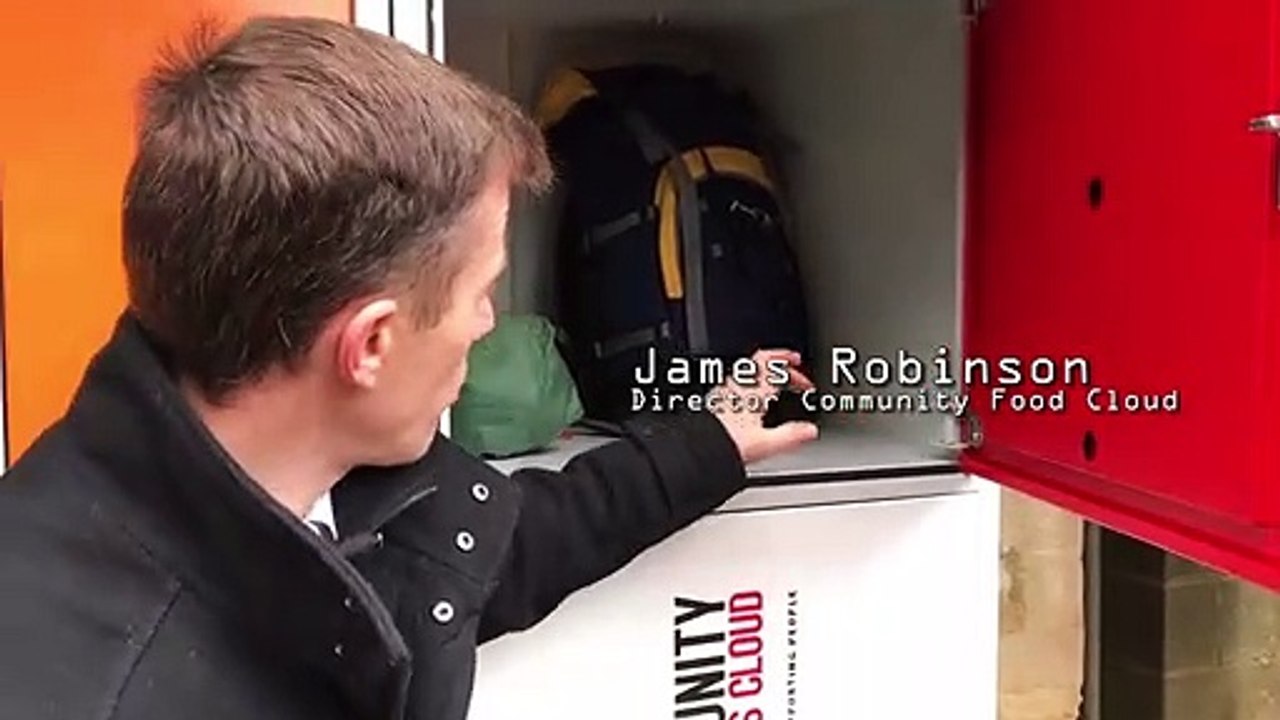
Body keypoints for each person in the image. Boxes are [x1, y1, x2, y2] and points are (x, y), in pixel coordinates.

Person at [0, 14, 819, 720]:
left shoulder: (311, 481)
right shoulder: (90, 684)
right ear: (372, 344)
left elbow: (494, 546)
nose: (489, 323)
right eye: (481, 291)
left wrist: (710, 438)